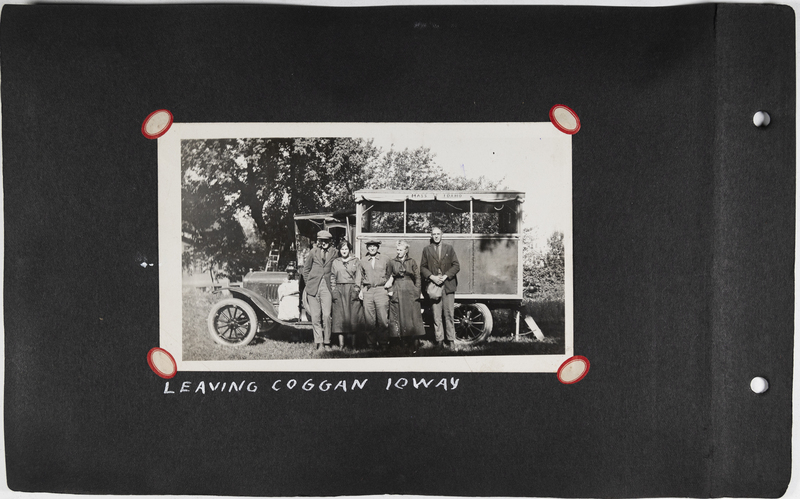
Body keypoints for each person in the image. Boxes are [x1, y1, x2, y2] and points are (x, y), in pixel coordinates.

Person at [420, 226, 460, 348]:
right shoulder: (427, 250)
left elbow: (456, 266)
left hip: (448, 286)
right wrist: (432, 277)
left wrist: (446, 276)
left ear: (442, 234)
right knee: (436, 315)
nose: (436, 236)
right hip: (434, 286)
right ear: (431, 236)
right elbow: (422, 267)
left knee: (449, 314)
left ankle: (451, 340)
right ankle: (439, 341)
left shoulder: (449, 248)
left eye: (438, 234)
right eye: (434, 234)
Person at [388, 240, 425, 352]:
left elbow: (418, 277)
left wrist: (417, 291)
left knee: (413, 315)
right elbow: (388, 276)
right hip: (397, 288)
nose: (398, 252)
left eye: (401, 250)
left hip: (410, 289)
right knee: (399, 315)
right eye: (397, 250)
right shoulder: (392, 262)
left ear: (406, 250)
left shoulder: (412, 261)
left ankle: (414, 341)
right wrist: (390, 290)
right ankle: (401, 342)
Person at [302, 230, 336, 350]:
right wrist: (309, 284)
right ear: (319, 241)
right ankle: (319, 342)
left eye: (326, 241)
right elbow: (305, 270)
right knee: (315, 316)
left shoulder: (334, 252)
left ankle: (327, 342)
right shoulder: (313, 252)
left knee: (326, 315)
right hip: (313, 287)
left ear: (330, 241)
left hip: (326, 287)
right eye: (322, 240)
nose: (324, 243)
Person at [330, 241, 365, 348]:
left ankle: (353, 345)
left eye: (346, 249)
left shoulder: (355, 261)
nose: (344, 251)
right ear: (339, 251)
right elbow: (332, 277)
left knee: (353, 315)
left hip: (352, 289)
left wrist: (357, 289)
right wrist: (334, 290)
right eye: (342, 249)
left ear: (349, 250)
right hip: (339, 290)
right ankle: (341, 345)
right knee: (339, 316)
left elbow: (359, 276)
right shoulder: (336, 262)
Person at [359, 239, 392, 349]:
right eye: (370, 246)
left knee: (383, 319)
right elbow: (360, 276)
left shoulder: (385, 259)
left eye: (374, 246)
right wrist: (361, 290)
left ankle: (383, 343)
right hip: (368, 291)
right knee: (369, 320)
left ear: (378, 247)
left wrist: (387, 285)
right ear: (367, 248)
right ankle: (371, 344)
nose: (372, 248)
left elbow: (390, 273)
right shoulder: (363, 261)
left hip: (381, 290)